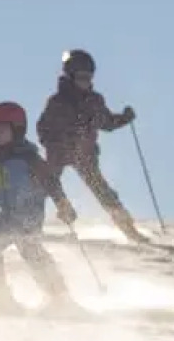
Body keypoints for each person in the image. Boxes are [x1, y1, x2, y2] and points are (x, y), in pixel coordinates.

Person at [0, 101, 79, 314]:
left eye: (3, 130)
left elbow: (51, 183)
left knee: (16, 248)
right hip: (8, 216)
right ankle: (2, 295)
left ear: (17, 130)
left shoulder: (29, 159)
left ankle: (57, 297)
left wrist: (63, 205)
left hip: (28, 215)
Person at [34, 49, 147, 243]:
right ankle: (28, 225)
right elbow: (43, 127)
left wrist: (124, 118)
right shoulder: (58, 102)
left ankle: (129, 229)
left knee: (102, 190)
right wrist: (53, 143)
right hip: (59, 152)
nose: (85, 82)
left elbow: (107, 122)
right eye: (81, 77)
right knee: (46, 185)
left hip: (85, 154)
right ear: (70, 77)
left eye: (88, 77)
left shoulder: (94, 101)